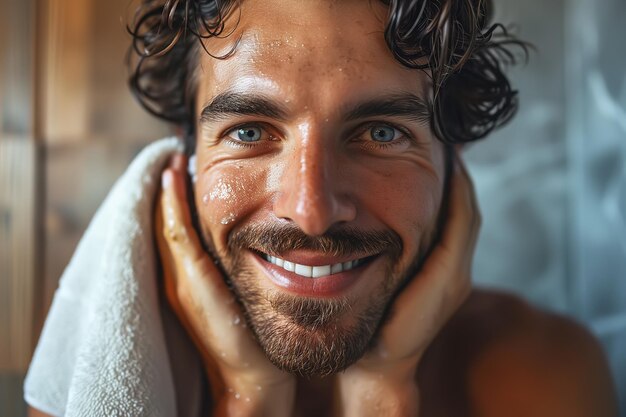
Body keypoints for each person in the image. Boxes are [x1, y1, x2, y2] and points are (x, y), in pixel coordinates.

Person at [30, 0, 618, 416]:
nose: (311, 212)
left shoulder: (541, 374)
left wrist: (382, 396)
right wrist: (249, 401)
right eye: (248, 132)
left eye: (382, 133)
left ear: (451, 161)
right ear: (185, 158)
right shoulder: (101, 376)